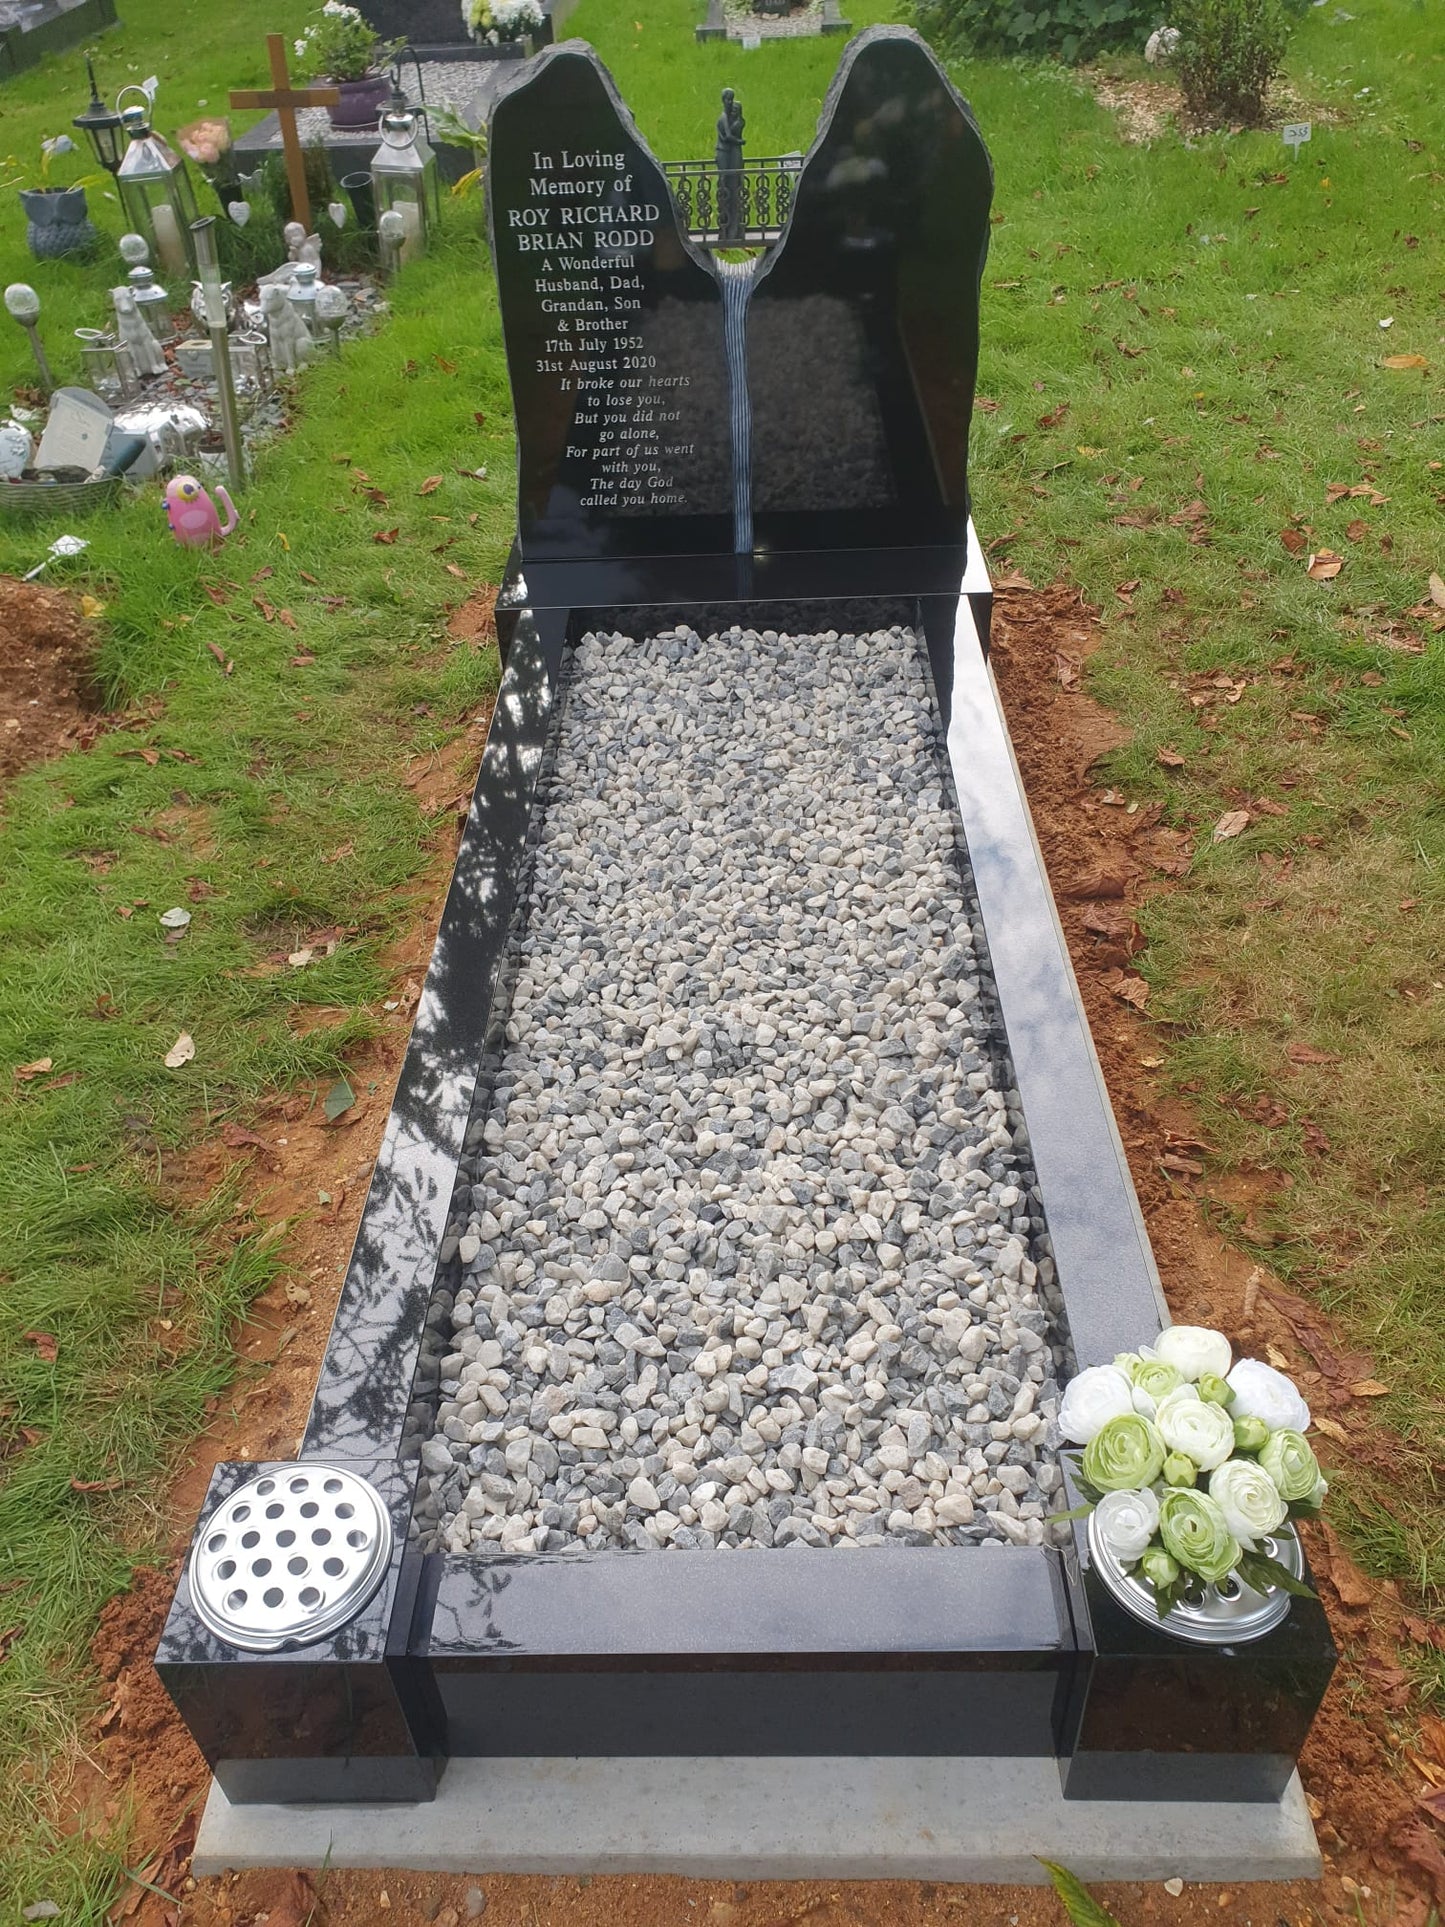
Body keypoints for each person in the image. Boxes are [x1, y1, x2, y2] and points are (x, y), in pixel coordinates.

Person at [715, 87, 745, 243]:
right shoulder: (723, 118)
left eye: (732, 99)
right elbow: (727, 136)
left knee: (735, 186)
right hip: (723, 153)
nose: (730, 103)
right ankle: (725, 228)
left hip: (731, 154)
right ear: (723, 100)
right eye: (728, 99)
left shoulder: (733, 117)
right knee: (724, 186)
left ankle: (734, 228)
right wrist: (740, 141)